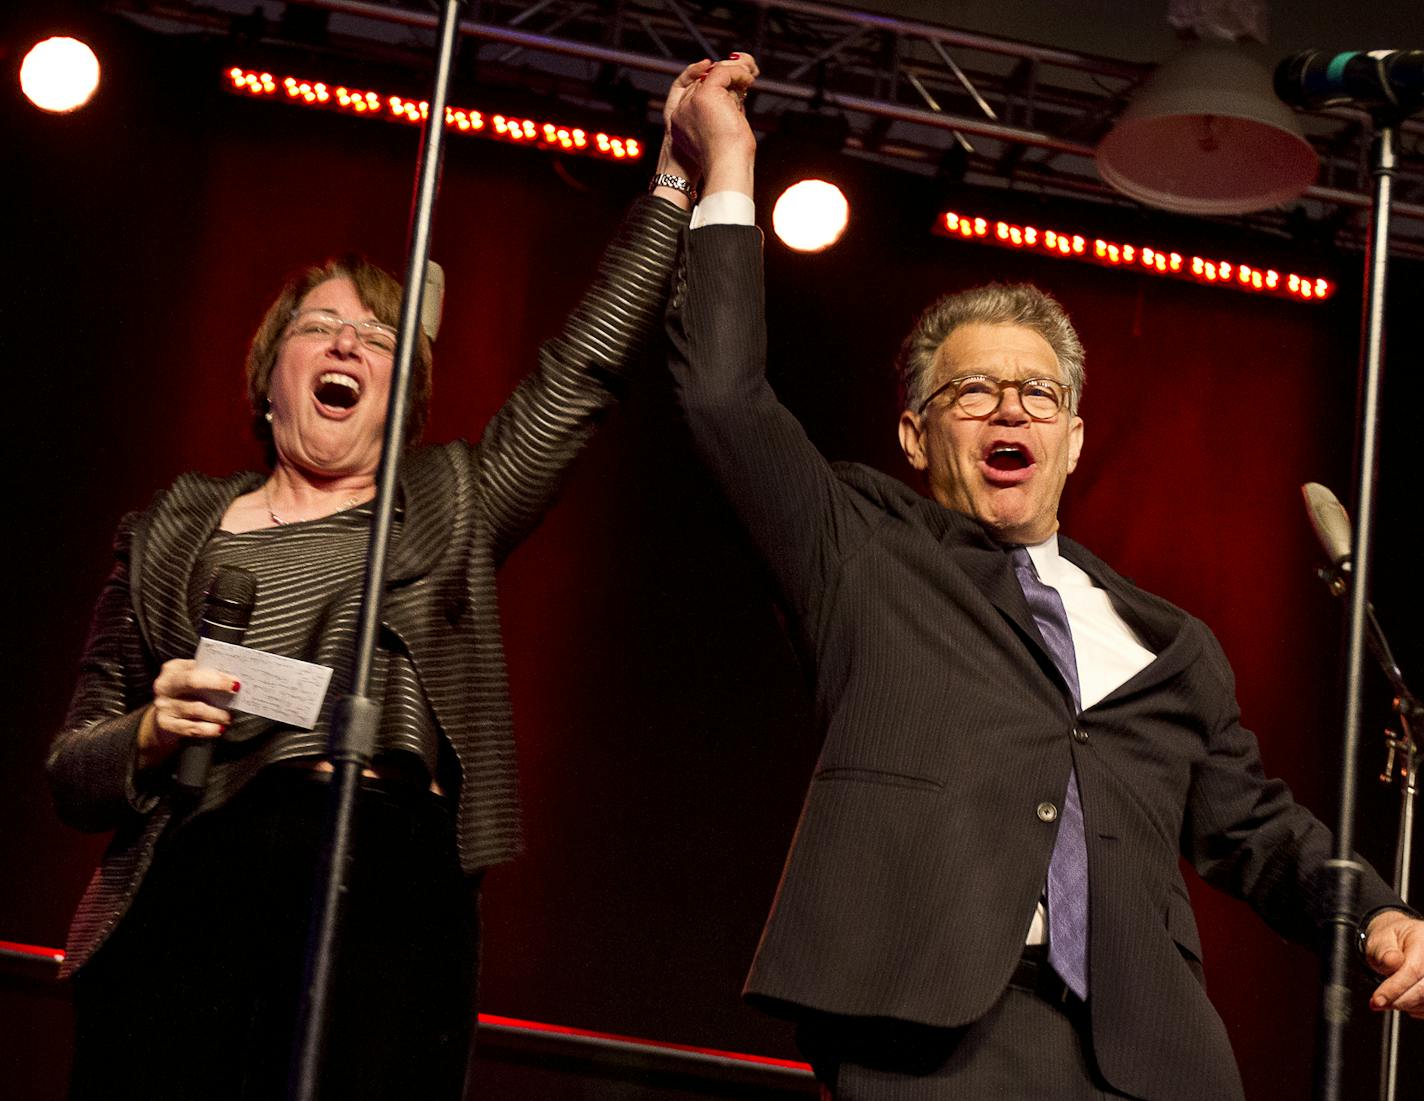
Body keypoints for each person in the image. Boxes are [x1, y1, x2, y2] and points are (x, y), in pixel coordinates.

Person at [665, 55, 1424, 1100]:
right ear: (911, 432)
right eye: (972, 391)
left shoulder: (1168, 642)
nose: (1010, 411)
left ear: (1073, 436)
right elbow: (721, 397)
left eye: (1037, 394)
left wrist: (1376, 913)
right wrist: (726, 168)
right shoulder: (861, 547)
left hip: (1148, 1056)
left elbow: (1254, 829)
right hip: (930, 1031)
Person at [46, 61, 720, 1101]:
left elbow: (583, 367)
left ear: (401, 396)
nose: (349, 341)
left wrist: (671, 185)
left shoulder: (452, 502)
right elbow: (71, 767)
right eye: (321, 326)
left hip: (385, 880)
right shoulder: (172, 528)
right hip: (200, 870)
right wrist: (143, 731)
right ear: (269, 376)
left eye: (377, 336)